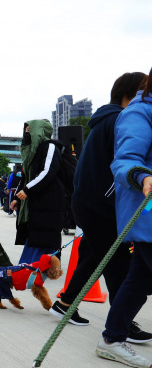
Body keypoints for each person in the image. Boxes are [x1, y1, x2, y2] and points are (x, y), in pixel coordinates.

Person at [52, 72, 152, 340]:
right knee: (120, 263)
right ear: (129, 94)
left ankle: (65, 303)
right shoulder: (124, 119)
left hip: (89, 202)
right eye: (143, 89)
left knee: (94, 256)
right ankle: (122, 325)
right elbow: (125, 161)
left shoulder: (104, 120)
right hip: (103, 204)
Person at [96, 68, 152, 368]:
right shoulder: (138, 113)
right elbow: (125, 160)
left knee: (139, 279)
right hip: (147, 210)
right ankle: (112, 338)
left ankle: (112, 338)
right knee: (138, 279)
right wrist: (142, 176)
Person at [10, 120, 65, 265]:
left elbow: (47, 172)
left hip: (49, 201)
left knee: (45, 237)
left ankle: (37, 266)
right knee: (38, 235)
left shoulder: (50, 147)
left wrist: (27, 190)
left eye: (30, 130)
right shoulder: (32, 151)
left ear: (39, 131)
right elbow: (26, 177)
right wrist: (17, 198)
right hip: (37, 202)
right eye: (26, 130)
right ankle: (37, 266)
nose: (27, 133)